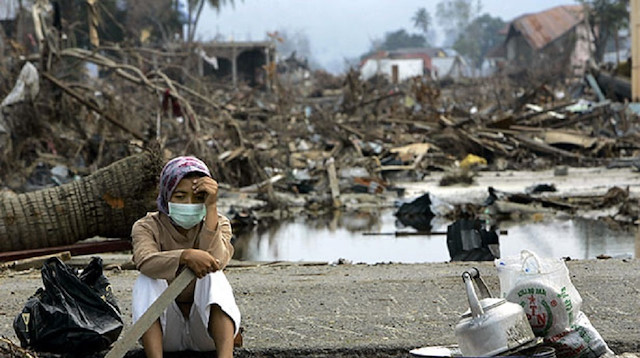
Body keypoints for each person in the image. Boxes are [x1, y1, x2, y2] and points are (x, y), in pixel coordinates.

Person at [131, 156, 240, 358]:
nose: (189, 204)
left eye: (198, 198)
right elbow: (145, 261)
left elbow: (218, 261)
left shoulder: (219, 223)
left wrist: (212, 208)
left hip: (205, 331)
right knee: (147, 278)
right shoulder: (147, 226)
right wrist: (185, 256)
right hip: (165, 332)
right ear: (166, 195)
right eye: (180, 197)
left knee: (214, 274)